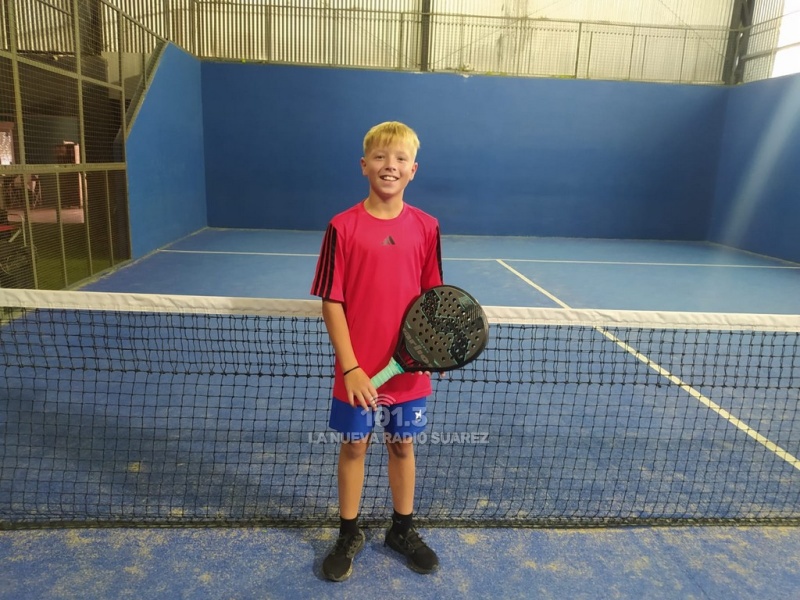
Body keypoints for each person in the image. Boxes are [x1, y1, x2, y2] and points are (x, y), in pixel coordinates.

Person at [311, 121, 443, 581]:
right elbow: (332, 301)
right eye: (381, 157)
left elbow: (434, 299)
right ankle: (349, 533)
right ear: (364, 165)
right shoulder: (342, 226)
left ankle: (401, 530)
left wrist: (435, 348)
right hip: (358, 372)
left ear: (413, 170)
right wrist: (351, 368)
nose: (391, 166)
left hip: (409, 370)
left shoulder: (427, 227)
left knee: (402, 446)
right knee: (354, 447)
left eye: (400, 158)